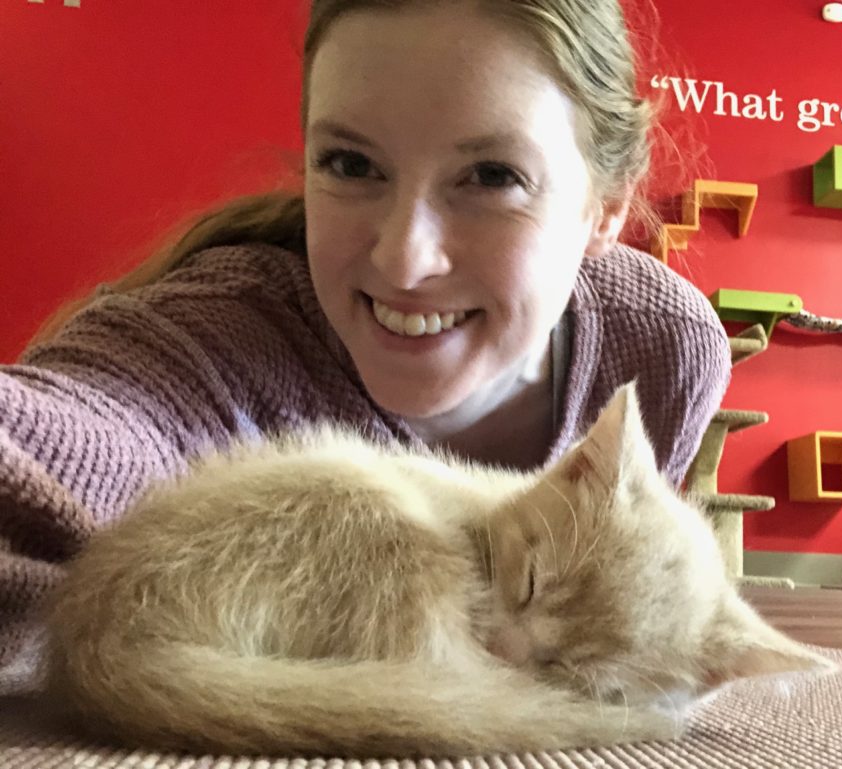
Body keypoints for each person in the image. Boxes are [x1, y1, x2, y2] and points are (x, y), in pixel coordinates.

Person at [0, 0, 731, 694]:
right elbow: (73, 436)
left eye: (493, 176)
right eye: (352, 164)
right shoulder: (219, 340)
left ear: (604, 208)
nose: (403, 261)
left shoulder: (659, 349)